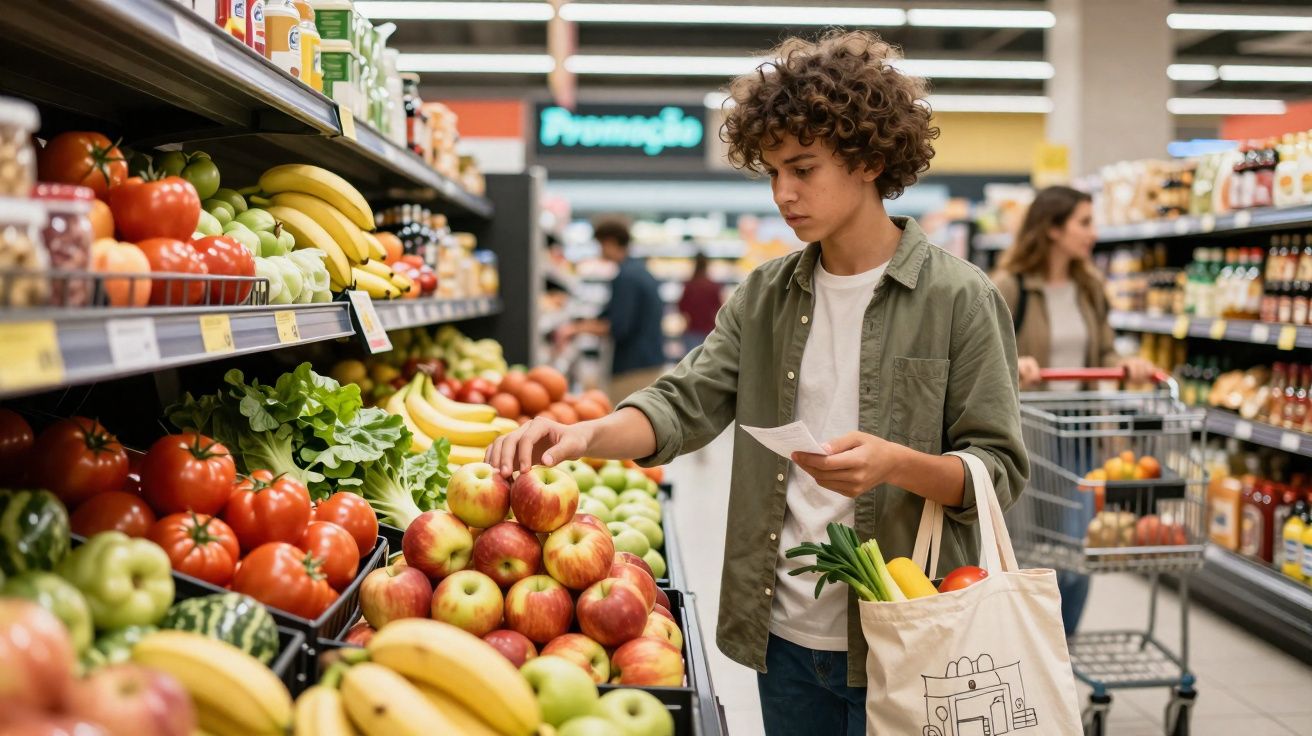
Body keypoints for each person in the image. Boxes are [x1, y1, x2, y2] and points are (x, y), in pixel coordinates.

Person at [490, 31, 1028, 735]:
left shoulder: (960, 298)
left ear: (868, 158)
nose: (783, 193)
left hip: (908, 631)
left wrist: (897, 465)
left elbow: (1000, 468)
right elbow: (683, 402)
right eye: (772, 172)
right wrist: (585, 432)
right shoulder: (767, 296)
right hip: (783, 635)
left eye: (802, 169)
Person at [991, 185, 1156, 636]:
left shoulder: (1089, 287)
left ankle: (1062, 655)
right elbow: (982, 357)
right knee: (1033, 559)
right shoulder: (1011, 287)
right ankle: (1031, 655)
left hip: (1081, 434)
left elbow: (1102, 353)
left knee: (1078, 557)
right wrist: (1013, 363)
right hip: (1030, 437)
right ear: (1052, 229)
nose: (1093, 232)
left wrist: (1124, 365)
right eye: (1084, 222)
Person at [557, 219, 667, 404]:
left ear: (610, 242)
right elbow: (609, 315)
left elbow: (618, 326)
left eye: (600, 245)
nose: (599, 251)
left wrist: (576, 329)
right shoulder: (639, 271)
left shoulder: (626, 277)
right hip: (648, 361)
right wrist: (582, 323)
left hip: (633, 368)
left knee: (624, 421)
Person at [677, 252, 723, 354]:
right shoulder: (713, 286)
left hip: (692, 330)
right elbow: (720, 309)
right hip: (709, 331)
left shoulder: (689, 286)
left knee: (691, 364)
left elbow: (681, 307)